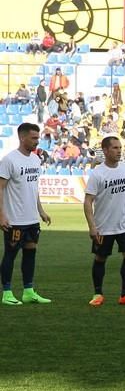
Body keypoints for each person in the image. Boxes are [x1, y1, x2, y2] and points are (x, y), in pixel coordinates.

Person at [83, 136, 125, 306]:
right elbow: (88, 201)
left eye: (120, 148)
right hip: (104, 226)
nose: (119, 151)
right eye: (115, 148)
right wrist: (92, 226)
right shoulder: (98, 174)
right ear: (106, 150)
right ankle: (97, 294)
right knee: (101, 257)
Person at [0, 123, 52, 305]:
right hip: (14, 219)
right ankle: (7, 293)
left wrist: (41, 210)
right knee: (11, 254)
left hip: (32, 219)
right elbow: (0, 188)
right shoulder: (9, 160)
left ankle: (28, 291)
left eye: (37, 138)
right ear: (22, 138)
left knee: (30, 252)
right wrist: (1, 215)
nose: (37, 142)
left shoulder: (35, 160)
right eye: (34, 138)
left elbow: (33, 188)